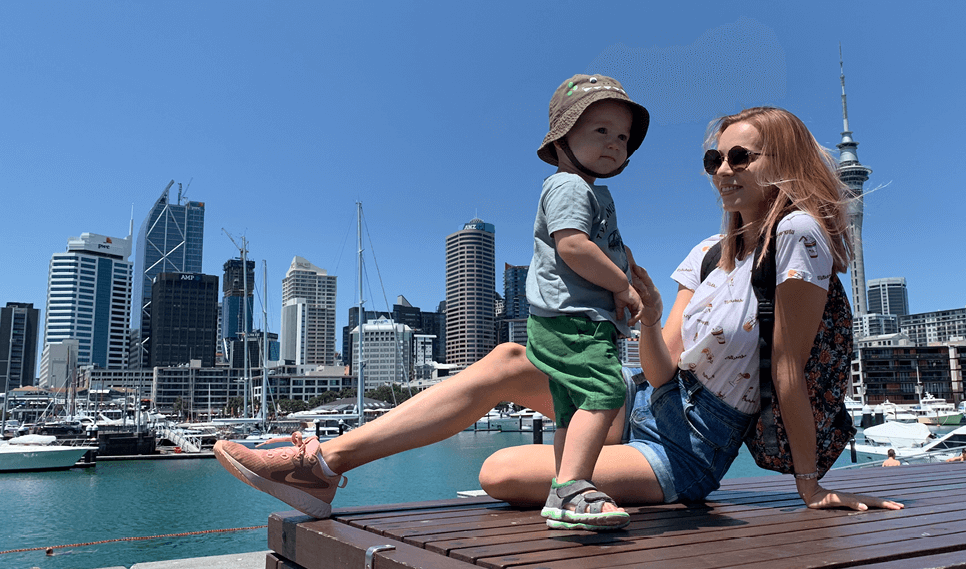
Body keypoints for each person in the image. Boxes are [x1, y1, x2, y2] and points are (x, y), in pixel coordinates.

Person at [213, 106, 903, 520]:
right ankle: (322, 467)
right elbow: (661, 368)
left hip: (691, 448)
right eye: (712, 157)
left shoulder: (798, 235)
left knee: (499, 473)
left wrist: (812, 489)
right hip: (650, 402)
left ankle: (323, 469)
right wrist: (649, 312)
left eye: (739, 156)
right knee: (511, 359)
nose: (722, 168)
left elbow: (785, 370)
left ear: (777, 158)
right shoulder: (704, 253)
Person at [526, 74, 650, 531]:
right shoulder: (570, 186)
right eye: (601, 131)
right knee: (606, 391)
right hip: (572, 319)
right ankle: (574, 485)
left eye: (622, 136)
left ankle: (565, 488)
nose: (615, 143)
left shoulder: (589, 191)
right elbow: (573, 246)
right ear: (561, 140)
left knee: (571, 408)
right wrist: (621, 285)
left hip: (570, 318)